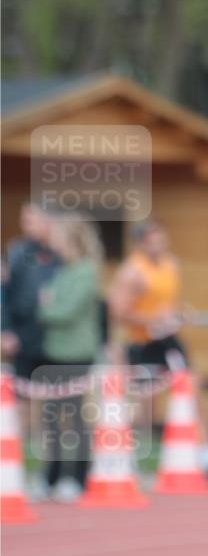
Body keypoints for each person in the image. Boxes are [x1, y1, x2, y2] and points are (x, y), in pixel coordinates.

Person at [108, 220, 208, 481]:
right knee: (143, 406)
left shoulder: (170, 265)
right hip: (142, 343)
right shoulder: (132, 272)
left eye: (162, 240)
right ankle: (124, 458)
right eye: (153, 241)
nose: (159, 245)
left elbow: (168, 302)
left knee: (193, 391)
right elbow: (119, 313)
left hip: (169, 340)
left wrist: (179, 312)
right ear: (141, 243)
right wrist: (152, 319)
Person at [37, 216, 104, 502]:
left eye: (60, 238)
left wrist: (47, 306)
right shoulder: (62, 271)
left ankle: (77, 475)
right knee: (51, 419)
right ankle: (51, 476)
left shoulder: (86, 272)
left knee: (74, 418)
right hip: (54, 351)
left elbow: (61, 311)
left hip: (78, 353)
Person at [2, 203, 59, 381]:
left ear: (48, 221)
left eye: (30, 221)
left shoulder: (64, 251)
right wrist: (5, 330)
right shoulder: (17, 251)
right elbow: (4, 293)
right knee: (23, 393)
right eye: (23, 221)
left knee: (58, 397)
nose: (24, 226)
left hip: (58, 338)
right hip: (23, 338)